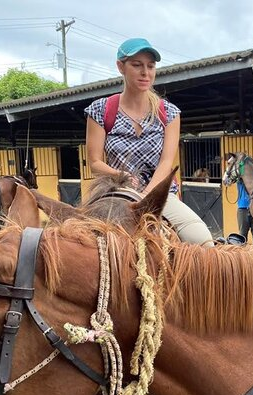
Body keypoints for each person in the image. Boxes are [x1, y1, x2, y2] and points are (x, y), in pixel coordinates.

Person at [84, 38, 213, 246]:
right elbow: (95, 163)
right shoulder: (100, 110)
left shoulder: (169, 113)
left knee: (203, 241)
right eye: (137, 65)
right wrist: (120, 175)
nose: (145, 72)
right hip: (116, 194)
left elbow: (166, 162)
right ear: (120, 67)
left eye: (150, 66)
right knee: (78, 245)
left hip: (159, 197)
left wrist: (145, 196)